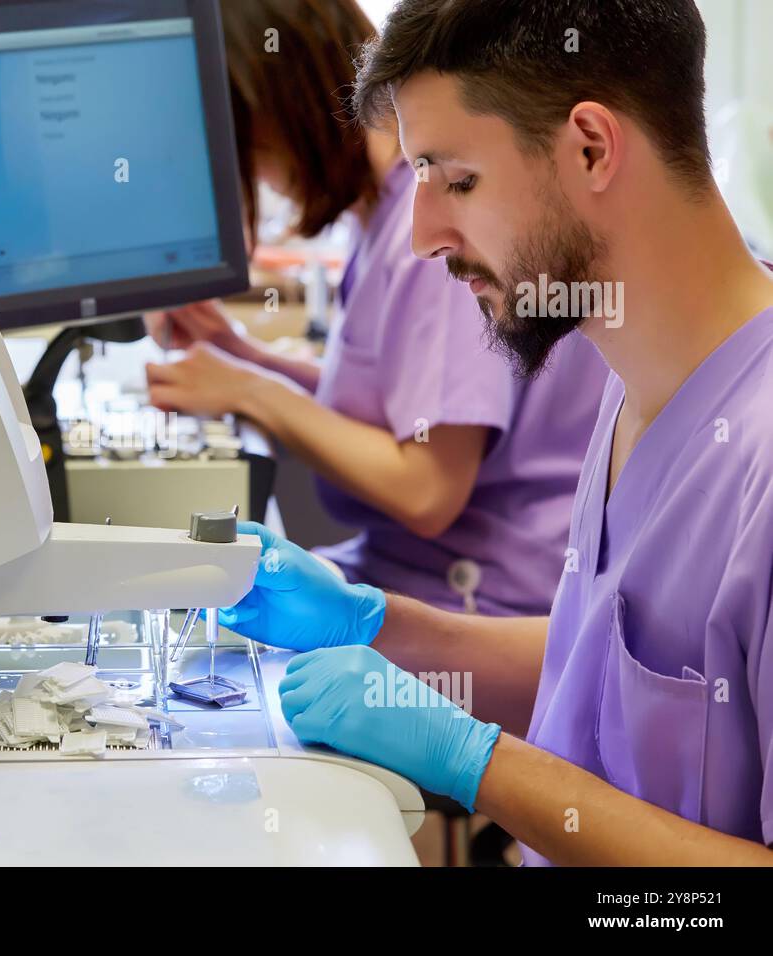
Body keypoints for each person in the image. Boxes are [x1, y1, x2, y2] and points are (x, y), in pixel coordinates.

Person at [228, 0, 773, 865]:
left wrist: (476, 764)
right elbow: (605, 676)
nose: (422, 236)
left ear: (591, 147)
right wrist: (378, 625)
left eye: (457, 180)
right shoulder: (638, 368)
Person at [145, 0, 606, 618]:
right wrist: (241, 354)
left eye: (250, 151)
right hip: (407, 571)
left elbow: (427, 488)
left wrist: (250, 391)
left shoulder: (433, 242)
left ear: (288, 110)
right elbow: (399, 406)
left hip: (479, 603)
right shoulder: (380, 216)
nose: (259, 179)